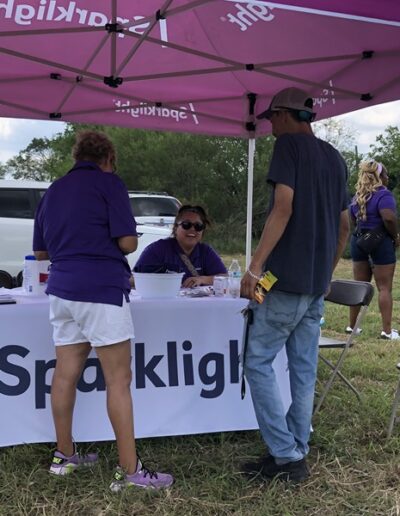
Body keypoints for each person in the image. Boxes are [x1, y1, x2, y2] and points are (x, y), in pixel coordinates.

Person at [33, 130, 173, 491]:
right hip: (100, 288)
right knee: (118, 380)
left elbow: (42, 253)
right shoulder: (110, 184)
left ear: (76, 157)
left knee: (64, 375)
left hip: (62, 290)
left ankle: (64, 456)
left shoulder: (53, 191)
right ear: (108, 159)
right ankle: (130, 473)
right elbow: (127, 241)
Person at [240, 87, 349, 483]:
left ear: (286, 116)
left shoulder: (288, 147)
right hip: (315, 284)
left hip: (280, 279)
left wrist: (254, 269)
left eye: (272, 117)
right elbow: (345, 225)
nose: (270, 124)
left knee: (257, 361)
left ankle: (285, 454)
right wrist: (326, 271)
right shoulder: (335, 158)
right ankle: (294, 451)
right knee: (303, 370)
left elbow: (282, 207)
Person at [348, 159, 399, 340]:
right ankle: (386, 331)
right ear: (380, 176)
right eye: (385, 174)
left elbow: (351, 220)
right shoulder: (383, 195)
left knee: (359, 286)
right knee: (384, 288)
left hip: (359, 242)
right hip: (380, 242)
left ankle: (352, 327)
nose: (387, 177)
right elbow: (389, 218)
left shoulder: (357, 196)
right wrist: (395, 236)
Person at [134, 204, 227, 288]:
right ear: (175, 228)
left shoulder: (205, 251)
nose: (192, 229)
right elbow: (132, 279)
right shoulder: (157, 250)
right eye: (186, 225)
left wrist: (202, 279)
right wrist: (163, 282)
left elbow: (225, 278)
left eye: (198, 226)